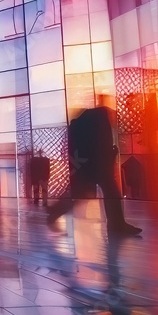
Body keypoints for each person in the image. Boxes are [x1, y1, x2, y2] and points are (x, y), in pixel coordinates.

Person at [47, 94, 142, 235]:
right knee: (106, 191)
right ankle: (116, 225)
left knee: (85, 192)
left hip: (89, 165)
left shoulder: (94, 119)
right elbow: (100, 146)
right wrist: (110, 155)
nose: (117, 125)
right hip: (95, 166)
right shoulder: (101, 120)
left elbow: (92, 145)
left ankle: (55, 211)